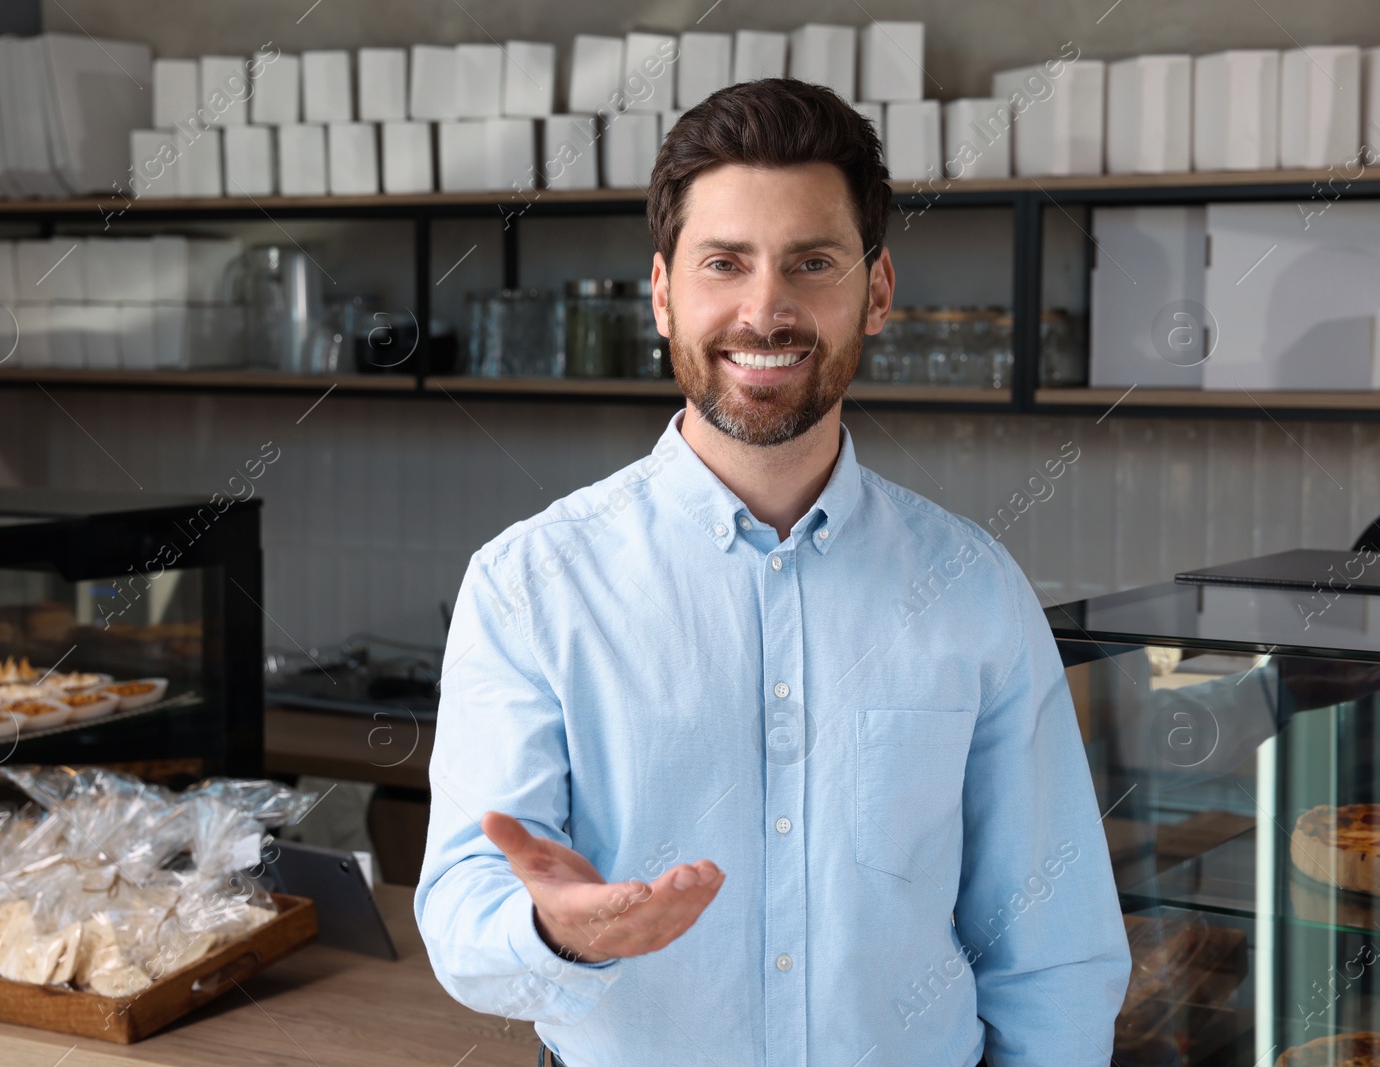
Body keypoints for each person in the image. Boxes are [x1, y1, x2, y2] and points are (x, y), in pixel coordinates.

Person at [414, 77, 1131, 1067]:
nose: (765, 308)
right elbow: (461, 909)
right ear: (662, 292)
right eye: (724, 262)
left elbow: (1051, 950)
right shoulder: (528, 583)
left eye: (811, 262)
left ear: (875, 291)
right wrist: (560, 930)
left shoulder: (974, 587)